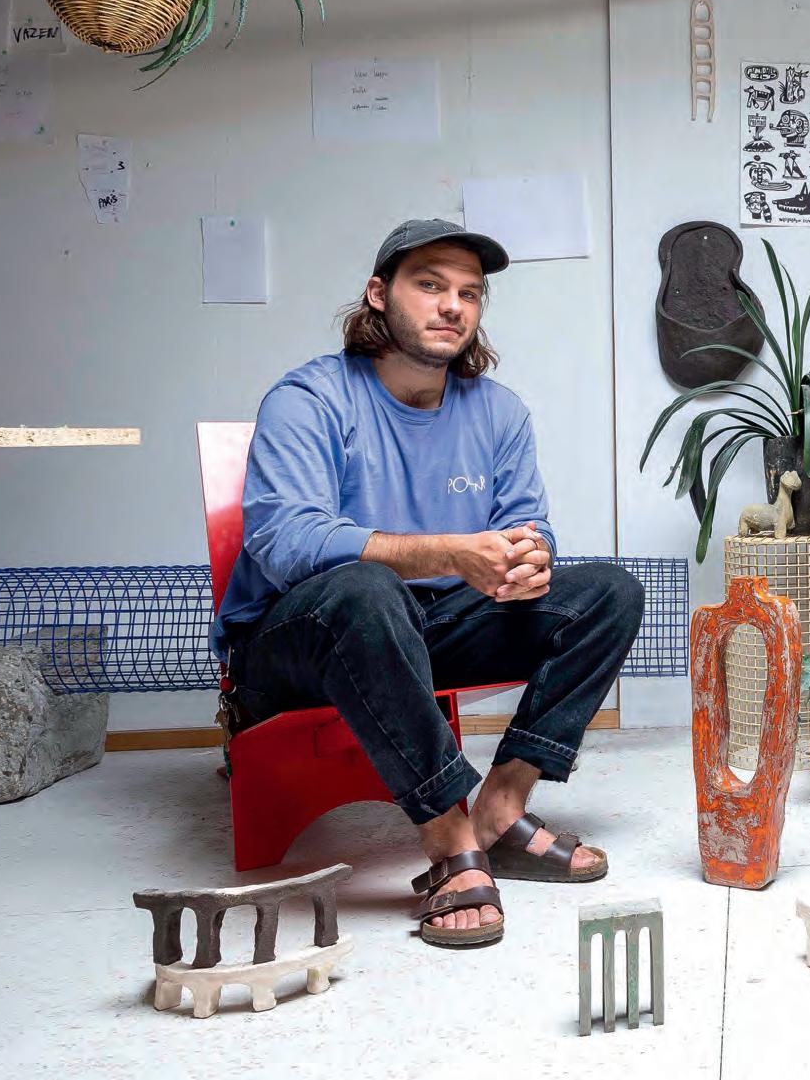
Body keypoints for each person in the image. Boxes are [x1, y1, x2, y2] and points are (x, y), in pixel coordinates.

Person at [214, 219, 645, 949]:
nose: (453, 305)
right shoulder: (309, 398)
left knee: (610, 592)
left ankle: (500, 809)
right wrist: (446, 551)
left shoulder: (498, 411)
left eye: (469, 293)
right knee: (367, 588)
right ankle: (449, 841)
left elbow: (526, 524)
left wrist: (530, 557)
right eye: (430, 285)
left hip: (422, 631)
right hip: (295, 646)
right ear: (378, 294)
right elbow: (285, 543)